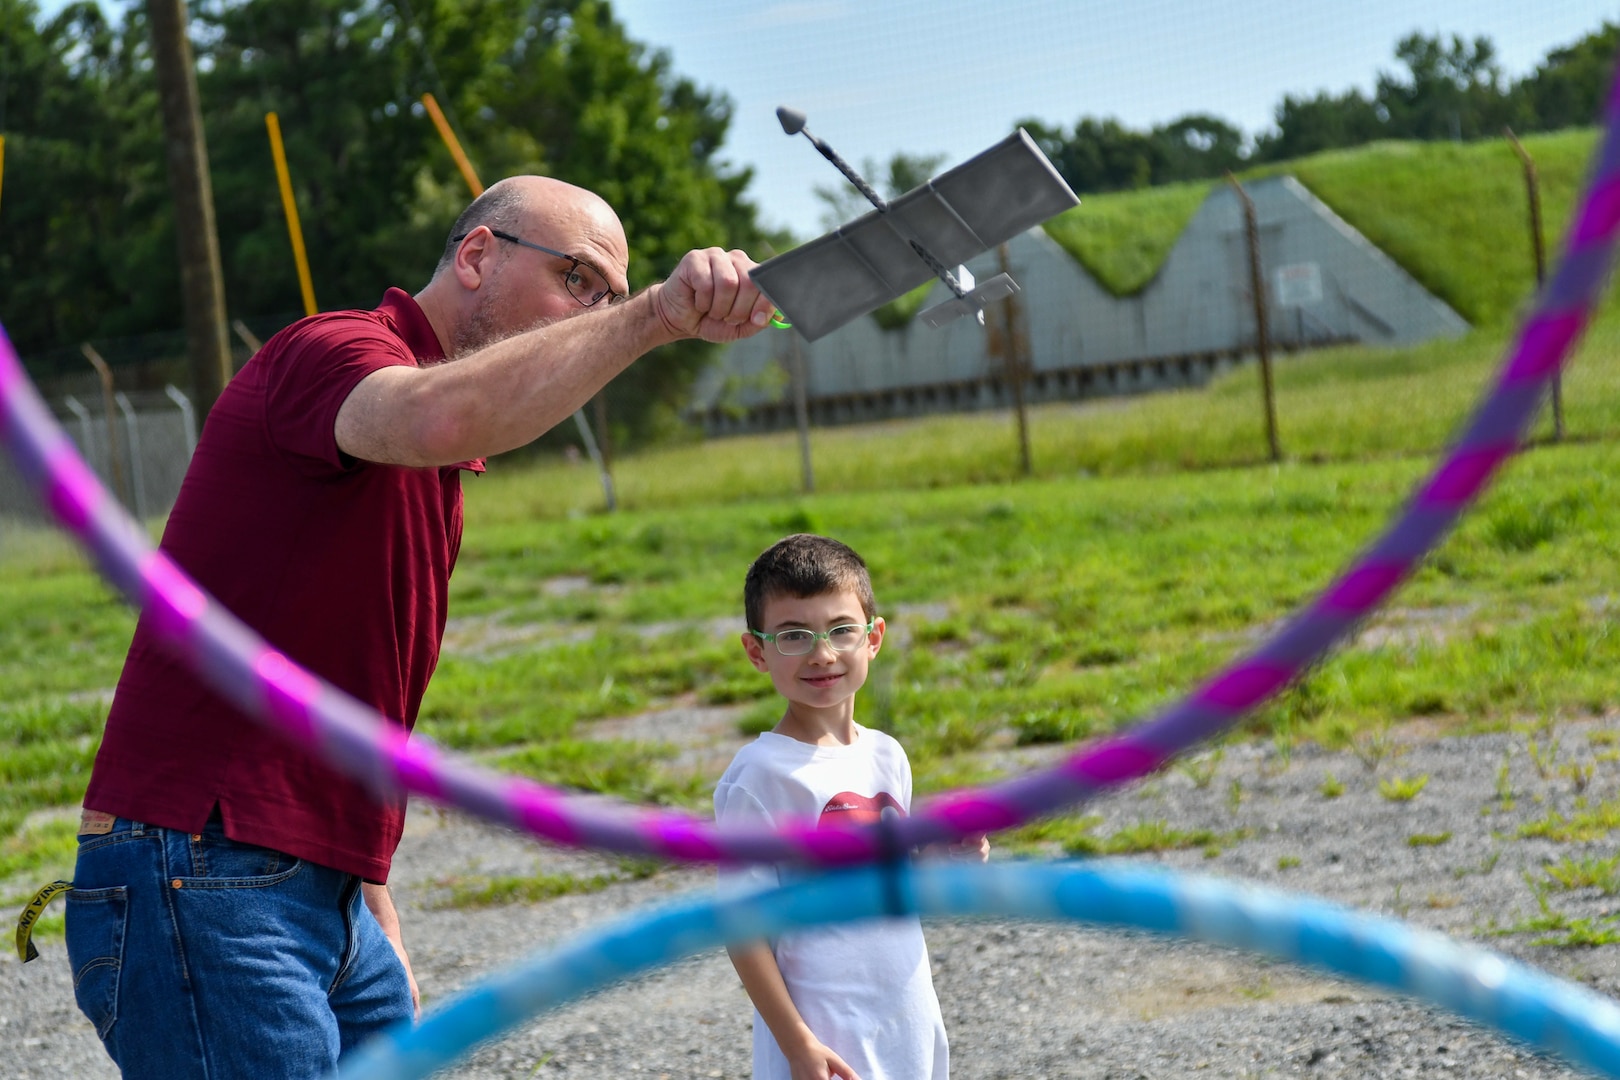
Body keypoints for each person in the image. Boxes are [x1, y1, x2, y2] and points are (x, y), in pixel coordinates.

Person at [63, 175, 780, 1079]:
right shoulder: (333, 352)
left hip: (312, 884)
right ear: (478, 255)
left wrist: (367, 892)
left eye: (607, 294)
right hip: (203, 866)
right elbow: (443, 409)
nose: (592, 310)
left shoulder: (435, 466)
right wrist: (652, 317)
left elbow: (345, 682)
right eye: (580, 280)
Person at [714, 533, 989, 1080]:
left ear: (873, 637)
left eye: (841, 630)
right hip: (827, 1041)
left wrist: (946, 854)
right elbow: (742, 927)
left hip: (906, 1022)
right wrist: (798, 1045)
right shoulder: (759, 777)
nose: (822, 653)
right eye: (793, 635)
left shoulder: (888, 756)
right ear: (756, 651)